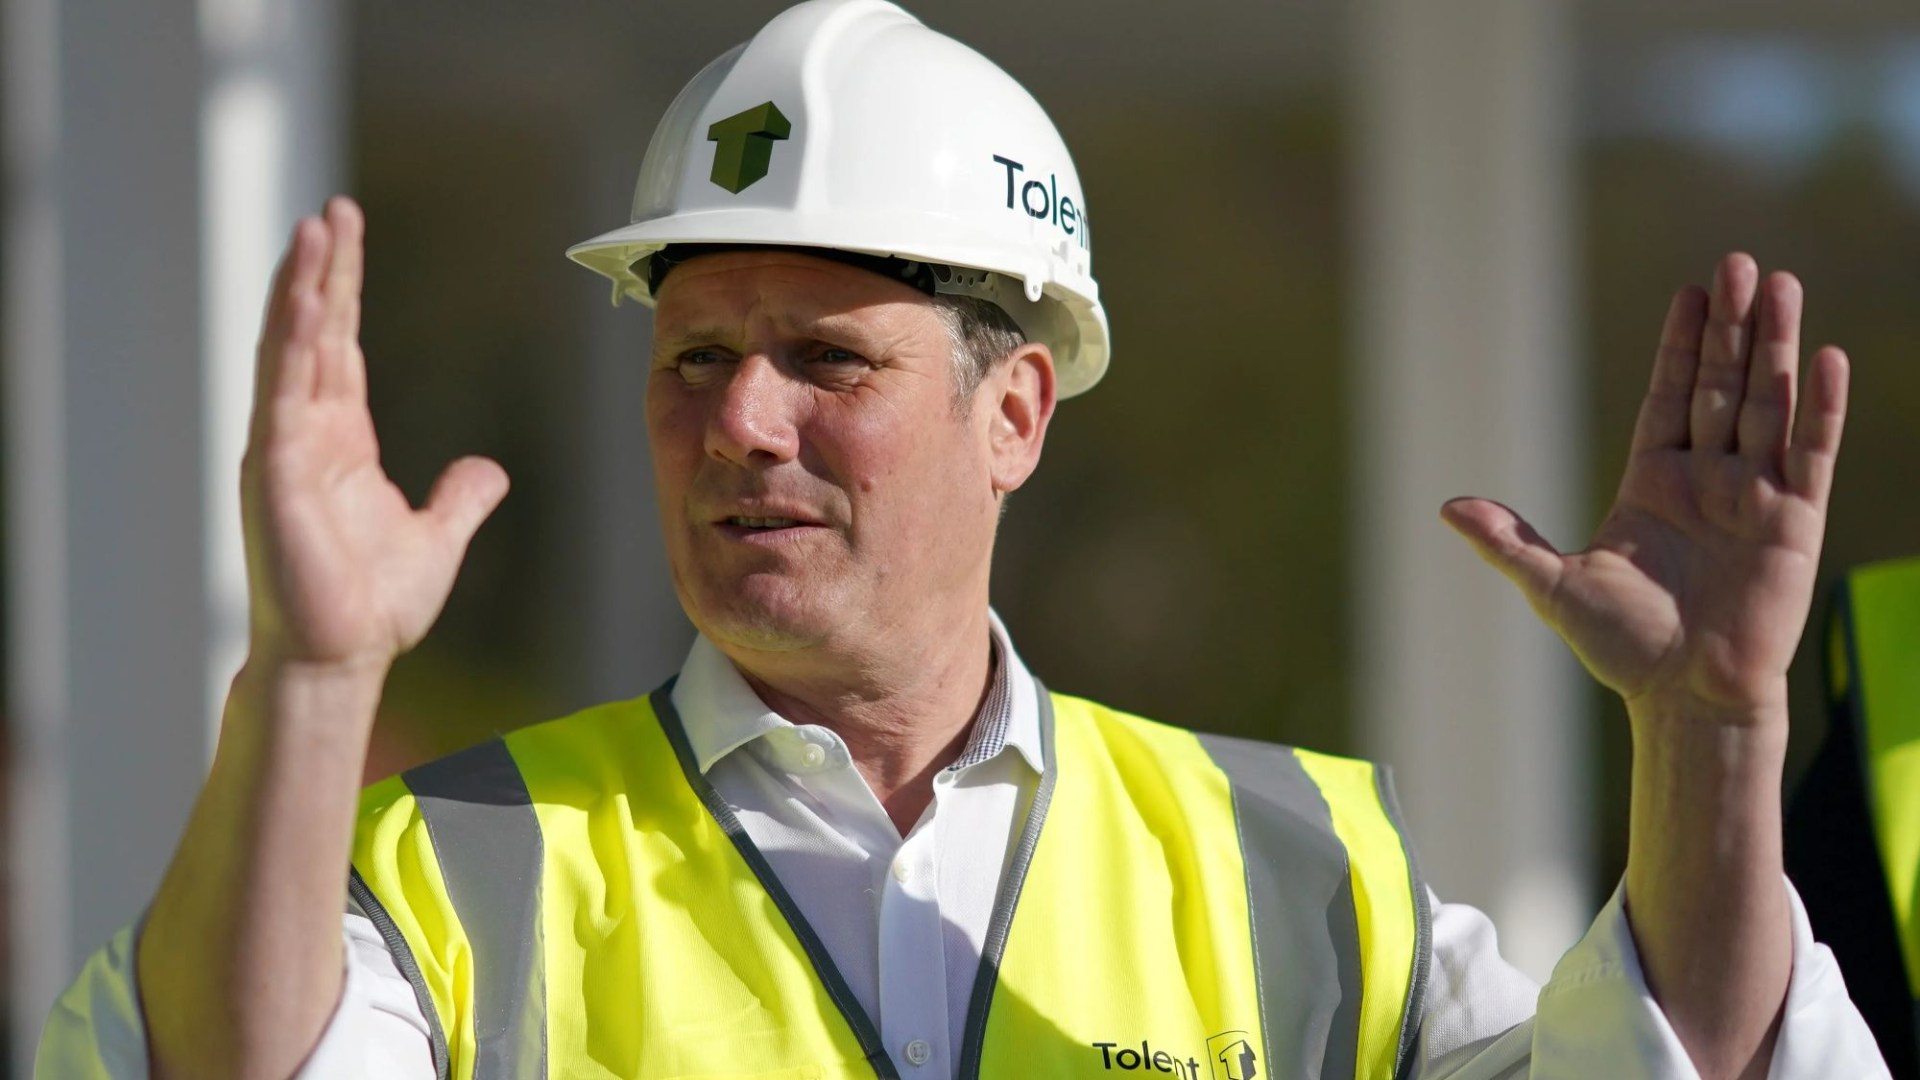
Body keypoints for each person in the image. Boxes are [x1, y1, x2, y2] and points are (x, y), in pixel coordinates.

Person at [36, 1, 1893, 1077]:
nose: (740, 422)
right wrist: (309, 681)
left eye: (826, 359)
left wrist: (1707, 741)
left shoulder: (1308, 874)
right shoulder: (447, 869)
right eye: (695, 359)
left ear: (1016, 412)